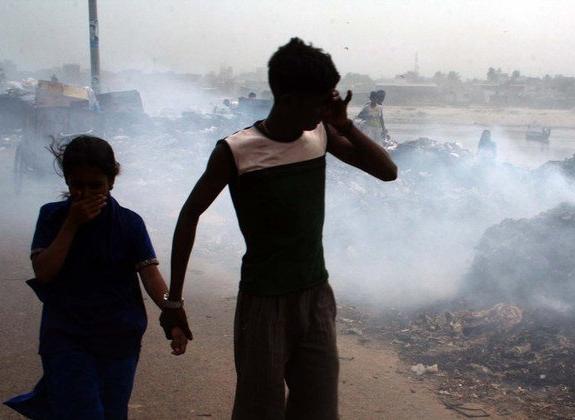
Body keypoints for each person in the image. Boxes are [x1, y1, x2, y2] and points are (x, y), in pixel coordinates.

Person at [160, 38, 397, 419]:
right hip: (263, 302)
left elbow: (388, 172)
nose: (326, 109)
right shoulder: (237, 151)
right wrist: (174, 301)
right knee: (260, 409)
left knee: (318, 409)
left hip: (316, 296)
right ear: (288, 99)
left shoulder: (320, 134)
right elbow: (189, 215)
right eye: (320, 101)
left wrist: (345, 124)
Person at [3, 135, 188, 420]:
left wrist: (173, 312)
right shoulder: (52, 217)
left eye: (95, 185)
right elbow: (44, 271)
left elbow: (150, 276)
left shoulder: (129, 223)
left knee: (112, 411)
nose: (86, 193)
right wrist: (71, 225)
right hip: (67, 335)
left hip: (120, 337)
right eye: (78, 185)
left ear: (111, 181)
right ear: (67, 181)